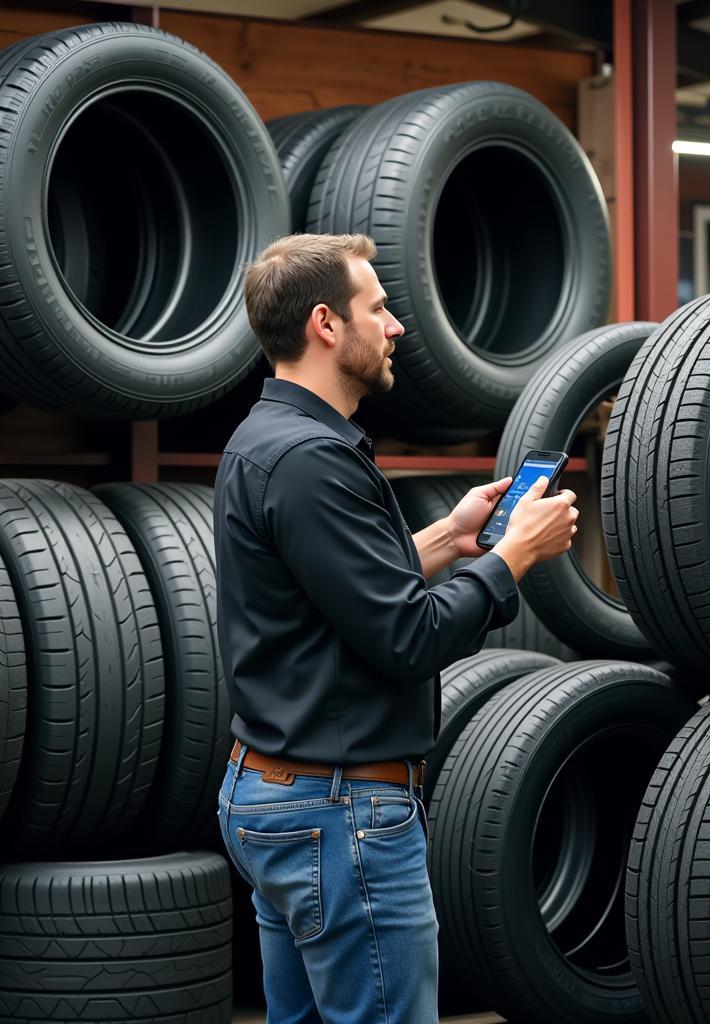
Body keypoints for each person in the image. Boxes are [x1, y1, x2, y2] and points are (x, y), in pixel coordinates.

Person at [213, 232, 578, 1024]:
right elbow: (406, 637)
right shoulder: (312, 459)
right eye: (377, 308)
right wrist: (513, 558)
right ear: (325, 324)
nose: (397, 326)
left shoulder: (265, 440)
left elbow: (340, 598)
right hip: (337, 813)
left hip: (276, 794)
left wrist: (451, 537)